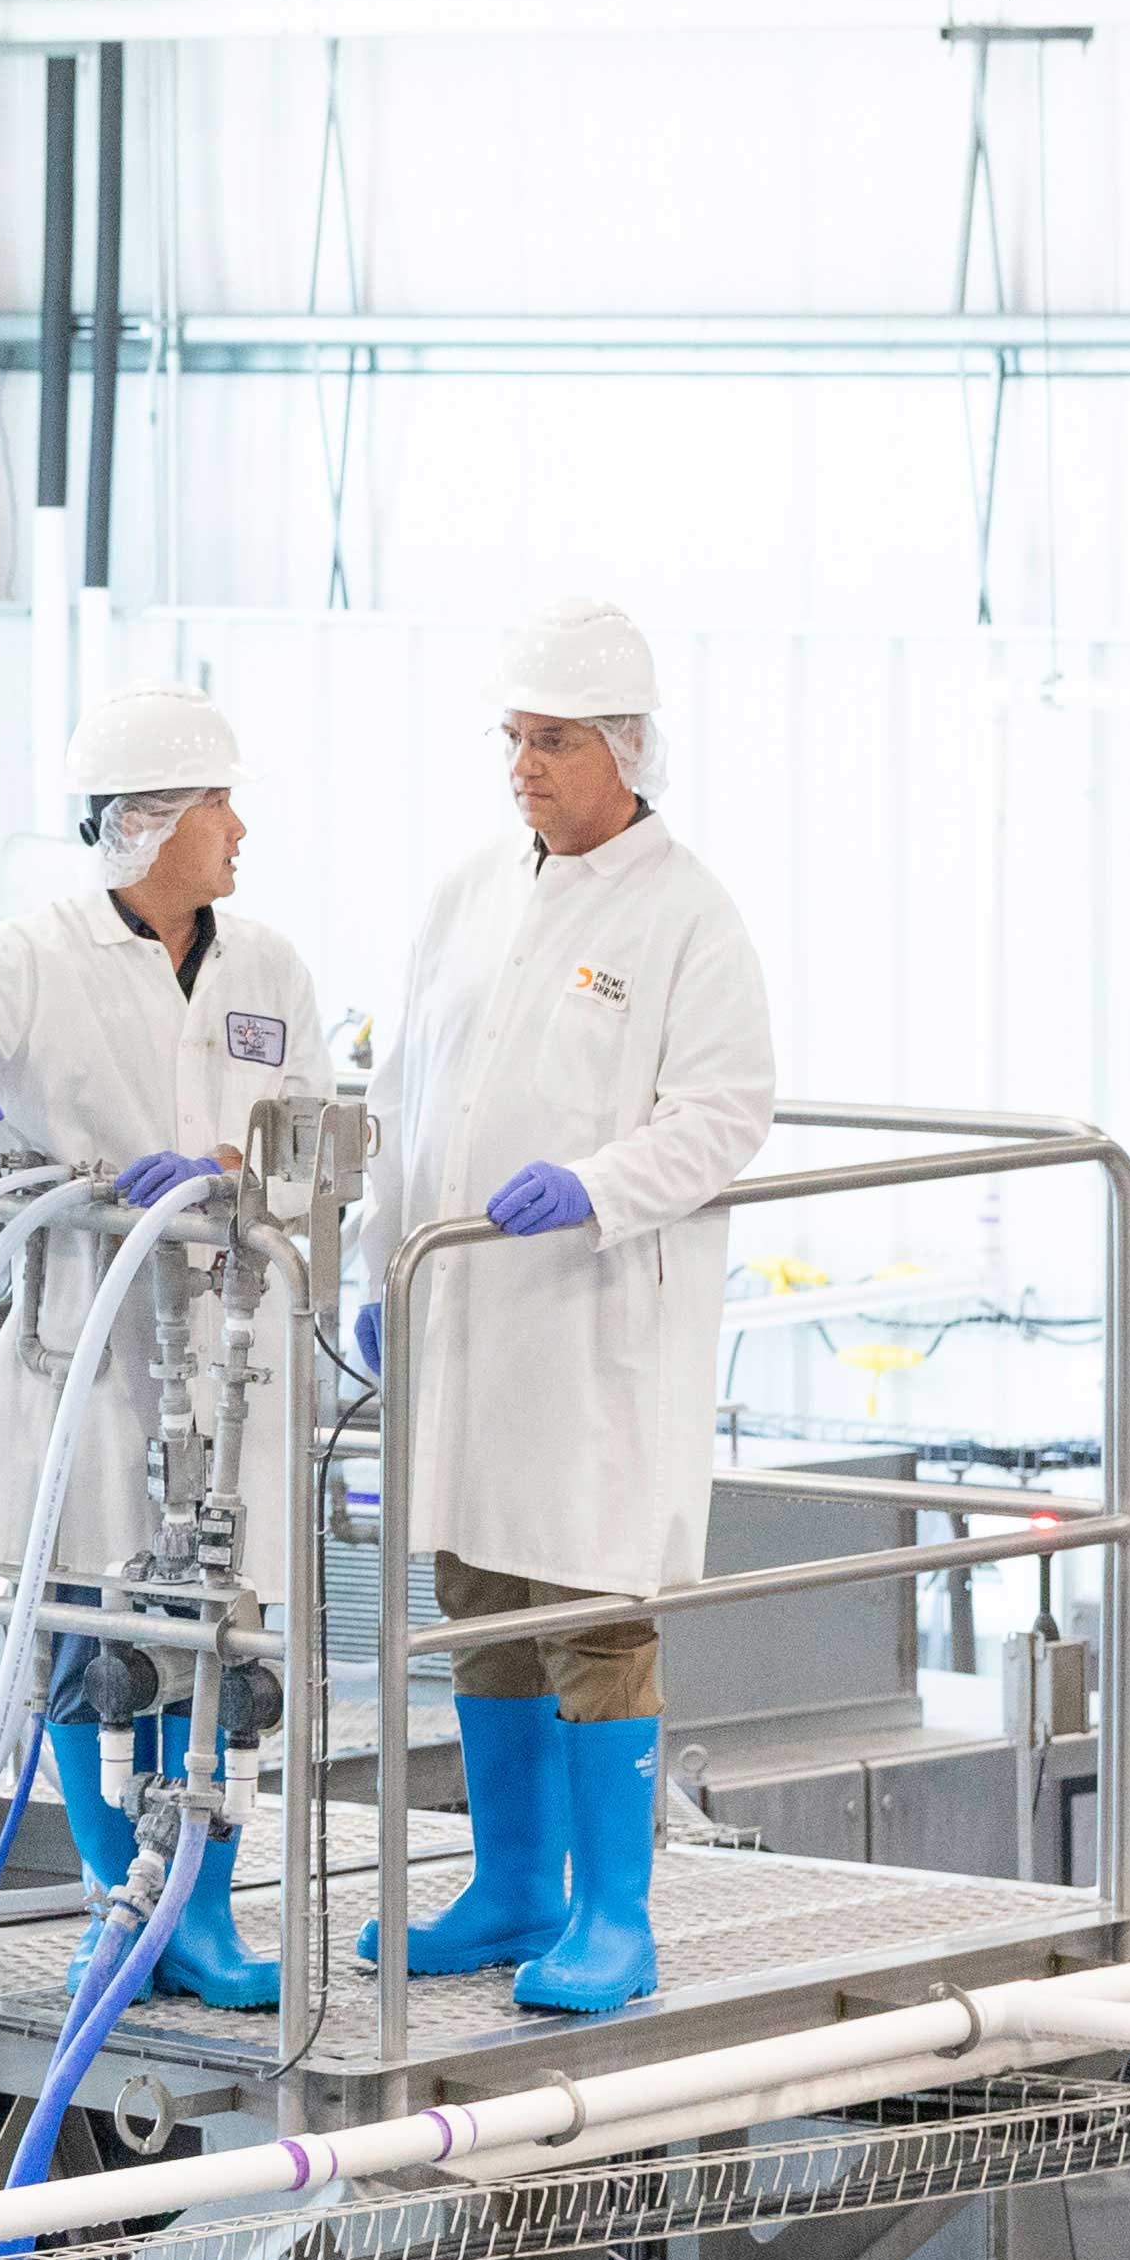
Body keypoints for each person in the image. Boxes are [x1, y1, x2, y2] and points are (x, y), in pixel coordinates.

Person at [361, 604, 776, 2021]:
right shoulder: (471, 891)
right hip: (466, 1305)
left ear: (627, 750)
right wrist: (377, 1274)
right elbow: (400, 1096)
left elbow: (726, 1115)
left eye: (553, 742)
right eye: (515, 740)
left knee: (595, 1604)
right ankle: (514, 1886)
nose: (524, 766)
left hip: (594, 1314)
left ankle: (615, 1914)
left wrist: (597, 1188)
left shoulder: (687, 916)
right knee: (479, 1585)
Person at [0, 687, 323, 2007]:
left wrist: (227, 1176)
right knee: (90, 1636)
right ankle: (114, 1906)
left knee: (224, 1646)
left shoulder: (271, 970)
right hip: (84, 1347)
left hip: (233, 1344)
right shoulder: (28, 956)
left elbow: (313, 1145)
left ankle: (197, 1916)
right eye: (218, 805)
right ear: (148, 827)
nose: (241, 829)